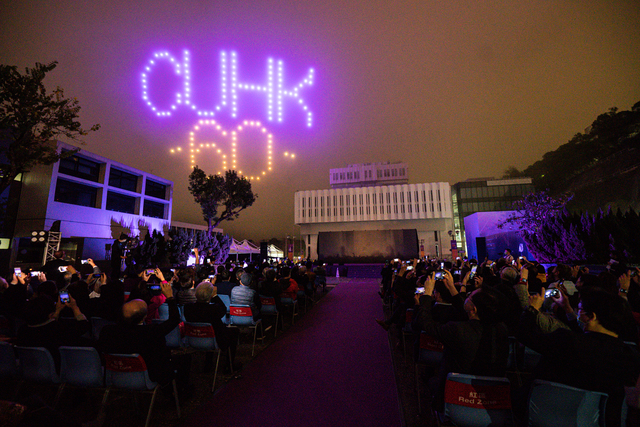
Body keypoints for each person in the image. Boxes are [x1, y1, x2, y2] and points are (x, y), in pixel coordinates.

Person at [518, 287, 640, 427]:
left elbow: (526, 336)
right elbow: (587, 337)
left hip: (543, 415)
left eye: (580, 310)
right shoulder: (631, 356)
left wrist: (532, 309)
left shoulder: (567, 342)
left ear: (592, 316)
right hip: (599, 421)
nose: (577, 314)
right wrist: (567, 308)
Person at [414, 271, 509, 413]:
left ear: (474, 309)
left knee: (431, 381)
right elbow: (465, 310)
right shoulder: (501, 329)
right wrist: (452, 287)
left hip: (456, 398)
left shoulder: (458, 330)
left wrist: (427, 294)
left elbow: (425, 324)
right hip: (492, 401)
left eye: (469, 296)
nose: (466, 297)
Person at [98, 277, 191, 396]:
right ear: (143, 317)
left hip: (115, 375)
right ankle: (179, 393)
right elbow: (174, 320)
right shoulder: (150, 332)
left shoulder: (107, 331)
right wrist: (170, 297)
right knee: (184, 359)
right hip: (148, 374)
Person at [183, 281, 241, 372]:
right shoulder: (214, 309)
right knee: (234, 331)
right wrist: (215, 296)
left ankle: (208, 363)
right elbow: (223, 309)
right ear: (210, 295)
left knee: (211, 330)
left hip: (194, 339)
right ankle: (229, 365)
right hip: (214, 339)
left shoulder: (188, 308)